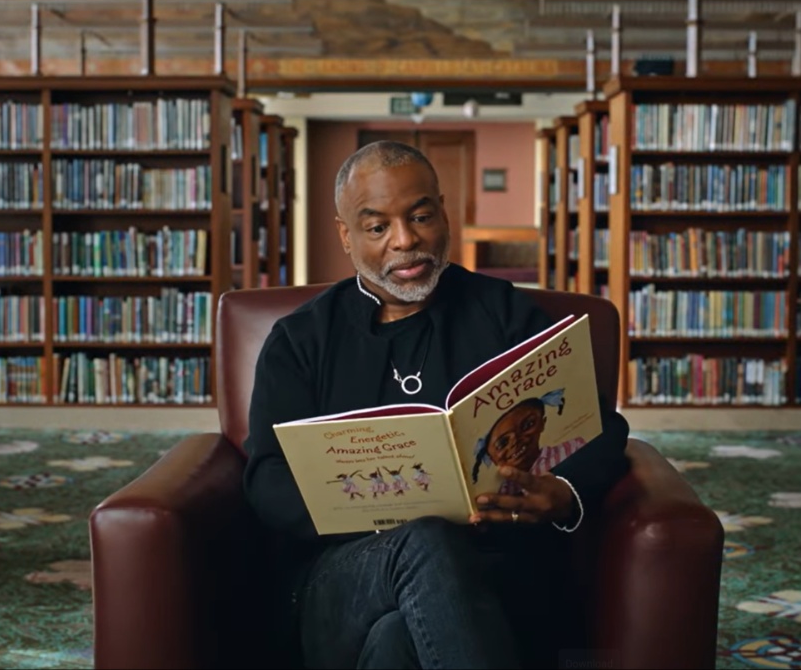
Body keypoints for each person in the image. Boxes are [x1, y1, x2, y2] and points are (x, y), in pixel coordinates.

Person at [241, 140, 632, 669]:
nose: (405, 241)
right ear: (346, 235)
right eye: (377, 227)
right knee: (424, 539)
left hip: (496, 572)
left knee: (398, 641)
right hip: (342, 580)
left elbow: (599, 426)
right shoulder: (300, 341)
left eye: (421, 216)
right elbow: (266, 478)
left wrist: (563, 493)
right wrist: (375, 513)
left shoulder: (506, 315)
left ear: (443, 213)